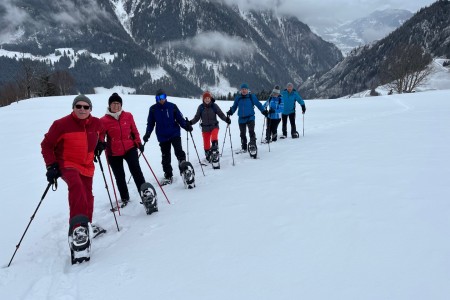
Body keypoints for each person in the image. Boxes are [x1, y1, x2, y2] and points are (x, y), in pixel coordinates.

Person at [41, 94, 105, 256]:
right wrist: (51, 165)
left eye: (86, 107)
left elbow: (101, 132)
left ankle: (86, 224)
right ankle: (78, 229)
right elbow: (47, 145)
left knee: (88, 196)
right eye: (79, 106)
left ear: (90, 109)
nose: (82, 109)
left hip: (87, 164)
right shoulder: (61, 124)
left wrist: (100, 144)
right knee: (76, 188)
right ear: (73, 108)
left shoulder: (96, 122)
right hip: (67, 163)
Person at [100, 93, 146, 207]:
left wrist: (138, 142)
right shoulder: (103, 120)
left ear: (121, 104)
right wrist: (101, 145)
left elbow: (134, 131)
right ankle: (125, 197)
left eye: (118, 103)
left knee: (136, 171)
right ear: (109, 105)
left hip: (130, 148)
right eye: (113, 103)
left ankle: (145, 194)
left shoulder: (128, 116)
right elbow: (101, 137)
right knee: (119, 176)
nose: (116, 106)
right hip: (113, 153)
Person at [142, 89, 193, 185]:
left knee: (179, 151)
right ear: (156, 99)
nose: (161, 100)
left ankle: (184, 168)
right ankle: (168, 175)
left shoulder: (172, 106)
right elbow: (150, 123)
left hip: (174, 133)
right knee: (165, 157)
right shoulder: (153, 109)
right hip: (162, 136)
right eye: (159, 98)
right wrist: (147, 133)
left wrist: (186, 126)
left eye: (163, 97)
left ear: (166, 97)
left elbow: (179, 119)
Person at [188, 91, 230, 163]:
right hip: (205, 128)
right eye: (205, 98)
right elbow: (196, 117)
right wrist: (190, 122)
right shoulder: (200, 107)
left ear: (210, 98)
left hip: (214, 126)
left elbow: (221, 114)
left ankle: (215, 151)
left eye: (208, 98)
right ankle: (208, 154)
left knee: (214, 138)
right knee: (206, 144)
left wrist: (226, 119)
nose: (207, 99)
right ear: (203, 99)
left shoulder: (214, 106)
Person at [227, 83, 268, 153]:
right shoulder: (238, 98)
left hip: (250, 117)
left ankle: (253, 145)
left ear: (247, 90)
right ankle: (244, 147)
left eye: (245, 89)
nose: (244, 91)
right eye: (242, 89)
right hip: (241, 118)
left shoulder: (252, 97)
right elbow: (234, 107)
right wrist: (231, 111)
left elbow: (258, 104)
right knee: (242, 134)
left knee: (251, 132)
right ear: (241, 90)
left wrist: (263, 111)